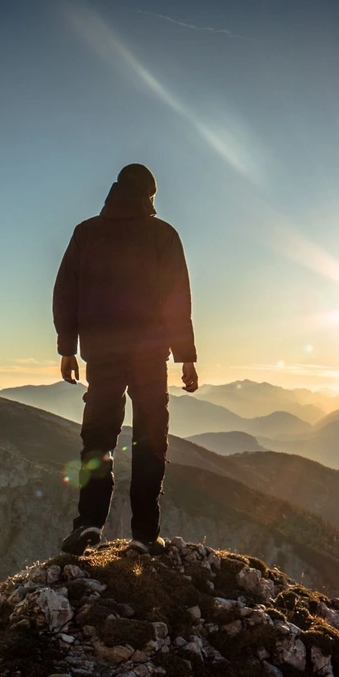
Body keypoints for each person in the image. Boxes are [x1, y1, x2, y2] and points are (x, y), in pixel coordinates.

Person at [53, 163, 199, 557]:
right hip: (150, 353)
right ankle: (145, 534)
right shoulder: (163, 235)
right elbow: (177, 300)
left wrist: (67, 347)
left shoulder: (86, 232)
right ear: (149, 195)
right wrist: (185, 356)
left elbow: (65, 291)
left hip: (101, 352)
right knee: (150, 437)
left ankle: (88, 523)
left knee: (98, 435)